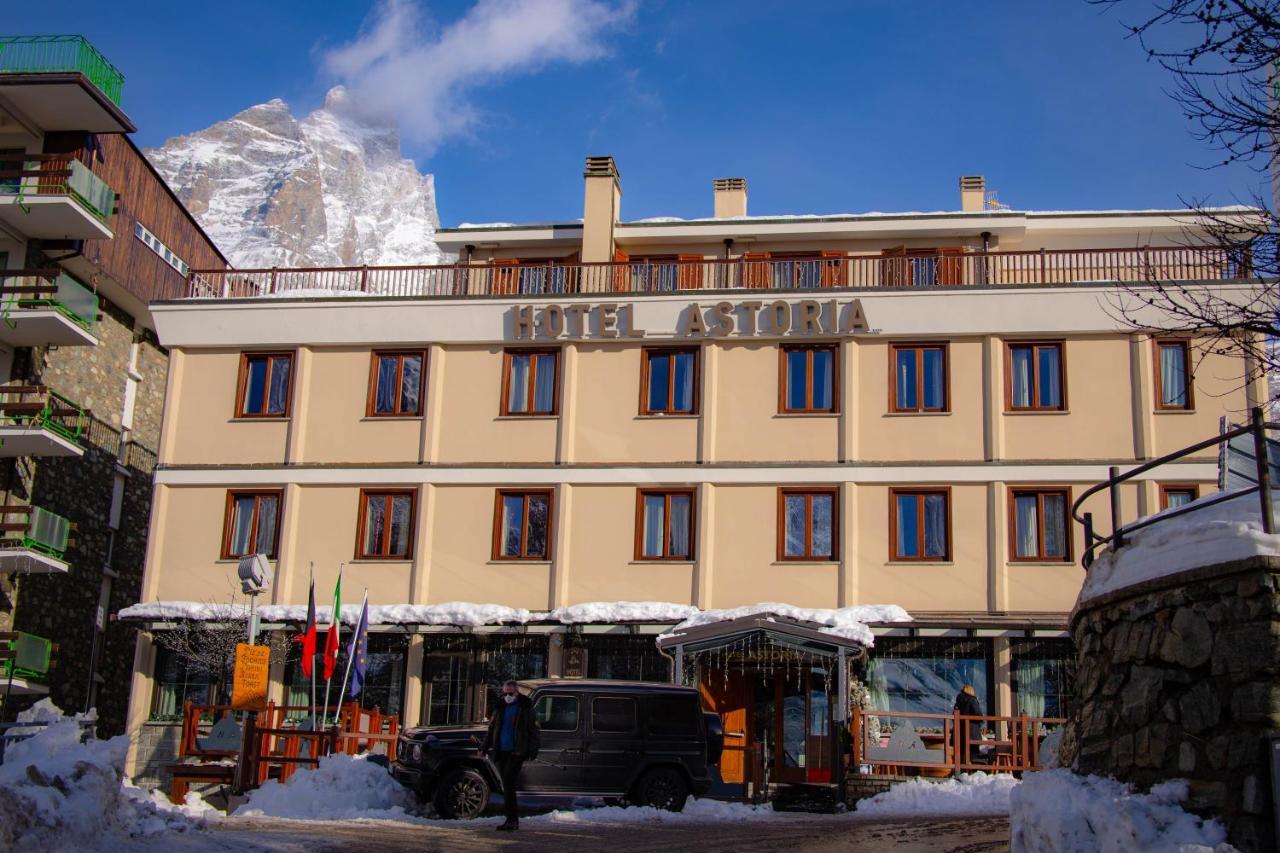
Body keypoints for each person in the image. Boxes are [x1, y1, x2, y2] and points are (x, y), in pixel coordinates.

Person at [480, 680, 539, 831]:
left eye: (510, 693)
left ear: (517, 692)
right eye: (505, 693)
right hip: (502, 751)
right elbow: (492, 728)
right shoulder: (500, 706)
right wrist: (484, 747)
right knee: (506, 785)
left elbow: (533, 729)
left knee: (508, 783)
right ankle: (510, 819)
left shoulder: (525, 706)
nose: (507, 696)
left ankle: (512, 819)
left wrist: (532, 749)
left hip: (516, 751)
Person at [953, 684, 985, 764]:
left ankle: (962, 770)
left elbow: (954, 714)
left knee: (962, 751)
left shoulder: (958, 701)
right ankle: (971, 771)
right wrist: (981, 720)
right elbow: (978, 714)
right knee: (973, 752)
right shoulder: (972, 700)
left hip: (960, 731)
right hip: (972, 731)